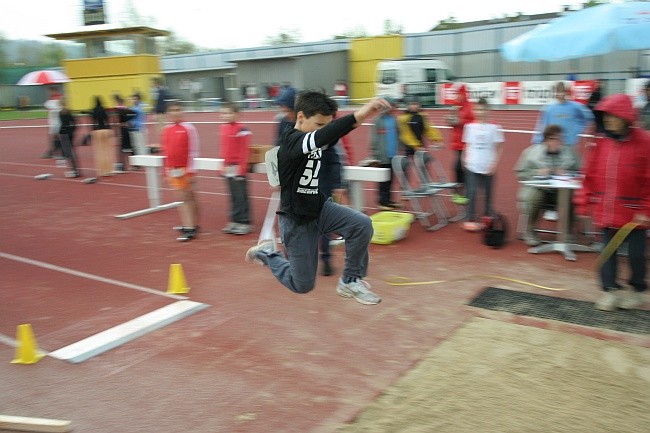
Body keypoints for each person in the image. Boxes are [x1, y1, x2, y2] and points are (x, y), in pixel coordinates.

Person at [245, 91, 391, 305]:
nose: (323, 130)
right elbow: (326, 135)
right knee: (303, 285)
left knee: (361, 224)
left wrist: (364, 116)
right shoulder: (292, 141)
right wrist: (364, 111)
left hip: (320, 208)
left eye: (326, 124)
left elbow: (334, 133)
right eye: (319, 124)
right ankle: (268, 253)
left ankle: (350, 280)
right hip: (296, 220)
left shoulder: (315, 135)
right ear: (301, 117)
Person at [574, 94, 650, 311]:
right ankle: (609, 291)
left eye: (612, 116)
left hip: (635, 214)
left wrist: (646, 209)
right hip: (607, 212)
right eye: (604, 117)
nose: (607, 121)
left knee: (636, 255)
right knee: (608, 254)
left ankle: (638, 290)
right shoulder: (601, 144)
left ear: (625, 117)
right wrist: (582, 202)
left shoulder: (645, 143)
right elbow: (589, 174)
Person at [514, 124, 581, 246]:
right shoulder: (531, 153)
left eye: (561, 139)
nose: (559, 142)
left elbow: (581, 172)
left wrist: (568, 173)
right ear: (546, 140)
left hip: (561, 192)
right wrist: (536, 172)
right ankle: (530, 230)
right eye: (555, 139)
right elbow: (521, 173)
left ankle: (567, 232)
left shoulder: (569, 152)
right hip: (540, 190)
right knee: (534, 197)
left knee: (570, 196)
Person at [460, 97, 504, 231]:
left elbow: (500, 147)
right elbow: (467, 145)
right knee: (472, 192)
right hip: (472, 165)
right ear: (475, 110)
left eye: (484, 109)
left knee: (488, 193)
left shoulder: (494, 128)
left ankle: (487, 216)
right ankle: (470, 218)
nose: (481, 112)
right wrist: (463, 158)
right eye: (478, 109)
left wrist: (495, 163)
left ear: (488, 110)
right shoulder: (469, 127)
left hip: (488, 165)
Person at [161, 100, 200, 242]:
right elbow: (165, 151)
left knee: (187, 198)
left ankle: (191, 226)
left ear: (182, 111)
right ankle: (190, 225)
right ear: (168, 113)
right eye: (172, 110)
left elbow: (193, 151)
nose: (175, 113)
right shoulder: (166, 129)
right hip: (173, 170)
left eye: (178, 110)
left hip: (184, 170)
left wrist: (190, 171)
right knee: (183, 199)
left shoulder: (188, 128)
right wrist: (165, 170)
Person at [219, 102, 253, 235]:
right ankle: (234, 220)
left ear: (236, 114)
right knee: (232, 196)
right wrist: (223, 165)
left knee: (241, 196)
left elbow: (245, 150)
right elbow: (224, 149)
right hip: (228, 168)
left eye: (228, 113)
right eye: (223, 113)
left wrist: (241, 168)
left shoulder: (242, 129)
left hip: (238, 167)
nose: (225, 116)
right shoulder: (223, 128)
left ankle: (244, 222)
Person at [532, 81, 594, 149]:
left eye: (562, 91)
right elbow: (543, 126)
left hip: (569, 144)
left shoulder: (575, 107)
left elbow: (589, 117)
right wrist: (537, 142)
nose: (560, 94)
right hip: (553, 145)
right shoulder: (549, 108)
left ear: (566, 92)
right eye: (558, 91)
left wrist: (578, 128)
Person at [370, 97, 401, 210]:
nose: (394, 108)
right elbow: (374, 138)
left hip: (393, 155)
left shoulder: (394, 119)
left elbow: (398, 136)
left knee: (391, 179)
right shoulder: (378, 120)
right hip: (383, 156)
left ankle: (388, 200)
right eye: (392, 106)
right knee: (383, 180)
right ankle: (382, 201)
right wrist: (375, 155)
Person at [447, 83, 474, 205]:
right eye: (455, 94)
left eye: (458, 94)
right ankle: (460, 191)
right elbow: (451, 121)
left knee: (462, 167)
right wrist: (450, 120)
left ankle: (464, 190)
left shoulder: (469, 107)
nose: (456, 97)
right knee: (459, 167)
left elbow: (473, 121)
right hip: (457, 142)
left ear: (463, 94)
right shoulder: (455, 107)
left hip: (466, 142)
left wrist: (460, 122)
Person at [88, 96, 115, 180]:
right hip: (106, 130)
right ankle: (109, 170)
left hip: (98, 131)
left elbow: (93, 122)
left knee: (100, 152)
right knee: (108, 151)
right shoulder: (104, 109)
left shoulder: (94, 110)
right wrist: (110, 130)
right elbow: (107, 120)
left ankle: (102, 171)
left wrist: (92, 131)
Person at [58, 97, 80, 178]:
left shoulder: (60, 112)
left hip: (64, 133)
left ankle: (73, 170)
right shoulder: (69, 112)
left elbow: (61, 124)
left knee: (68, 152)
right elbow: (74, 122)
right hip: (69, 133)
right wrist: (72, 130)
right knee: (72, 151)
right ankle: (76, 170)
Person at [113, 94, 135, 172]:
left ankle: (123, 166)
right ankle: (134, 164)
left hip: (123, 130)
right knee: (129, 148)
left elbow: (118, 121)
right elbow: (133, 114)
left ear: (118, 102)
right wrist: (128, 121)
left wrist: (121, 124)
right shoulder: (126, 109)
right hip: (126, 129)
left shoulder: (119, 110)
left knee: (123, 148)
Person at [43, 86, 62, 159]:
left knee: (57, 136)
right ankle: (55, 150)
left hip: (56, 121)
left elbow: (47, 106)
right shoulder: (52, 99)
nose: (50, 93)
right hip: (53, 120)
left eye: (51, 91)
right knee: (55, 136)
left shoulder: (55, 99)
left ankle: (57, 151)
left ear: (54, 91)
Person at [129, 92, 148, 158]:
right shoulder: (133, 107)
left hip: (139, 127)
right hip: (134, 128)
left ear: (139, 99)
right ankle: (140, 158)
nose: (134, 100)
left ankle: (144, 158)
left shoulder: (139, 107)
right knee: (136, 145)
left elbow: (138, 112)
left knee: (140, 144)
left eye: (135, 99)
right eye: (133, 99)